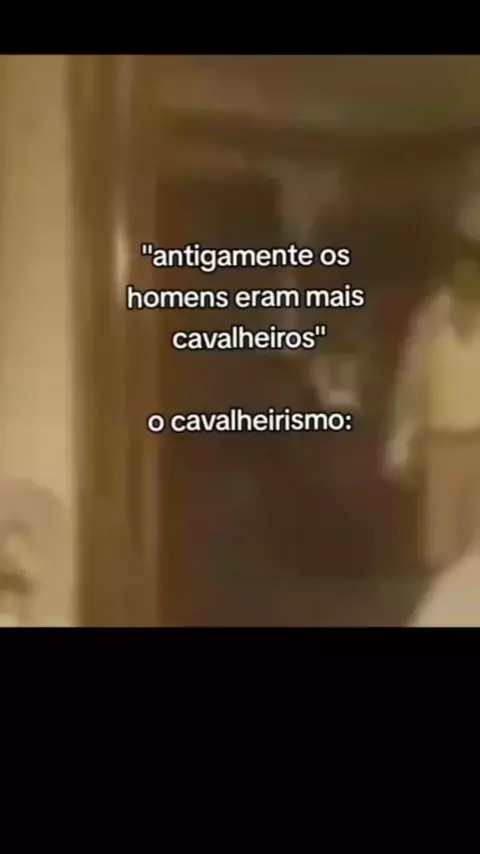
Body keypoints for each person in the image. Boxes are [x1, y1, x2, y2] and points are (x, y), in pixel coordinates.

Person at [386, 232, 480, 574]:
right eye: (460, 272)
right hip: (441, 445)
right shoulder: (430, 321)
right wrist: (400, 444)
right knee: (442, 548)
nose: (467, 279)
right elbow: (411, 382)